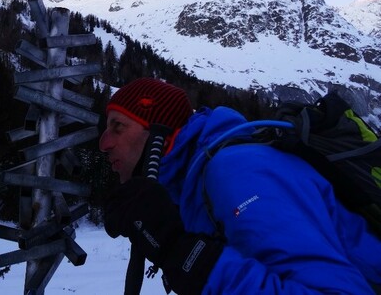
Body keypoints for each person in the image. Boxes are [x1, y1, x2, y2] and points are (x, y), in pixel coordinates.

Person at [100, 78, 381, 294]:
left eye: (118, 127)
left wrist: (184, 254)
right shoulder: (192, 192)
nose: (104, 144)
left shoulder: (235, 171)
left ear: (160, 133)